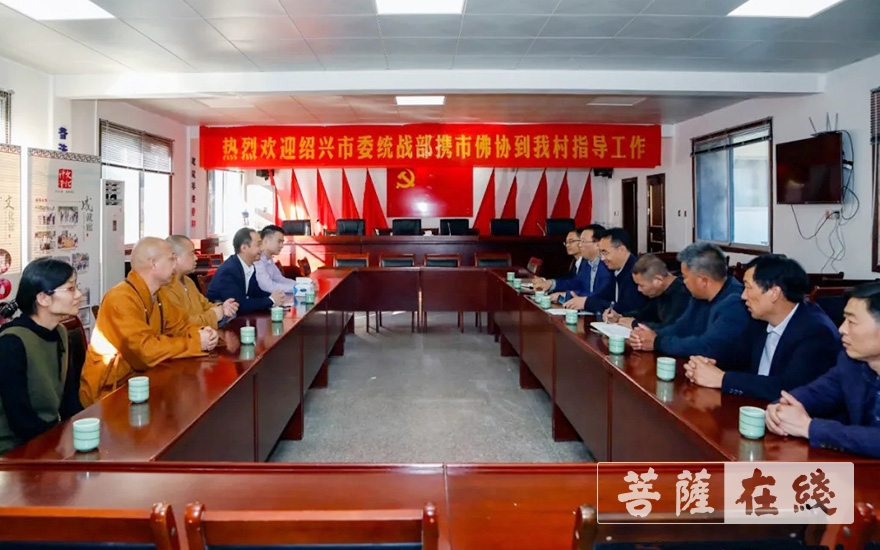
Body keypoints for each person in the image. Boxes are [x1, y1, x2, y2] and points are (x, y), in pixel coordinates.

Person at [80, 237, 218, 407]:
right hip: (110, 393)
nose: (175, 264)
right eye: (171, 259)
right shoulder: (120, 299)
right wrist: (196, 342)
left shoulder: (158, 295)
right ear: (153, 264)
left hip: (145, 380)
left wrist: (203, 332)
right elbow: (145, 351)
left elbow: (180, 325)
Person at [685, 255, 840, 402]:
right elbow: (738, 356)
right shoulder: (761, 320)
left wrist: (722, 379)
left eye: (748, 287)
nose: (743, 296)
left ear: (774, 293)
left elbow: (789, 388)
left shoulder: (816, 332)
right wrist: (707, 365)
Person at [766, 283, 880, 458]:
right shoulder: (850, 363)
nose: (841, 329)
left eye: (852, 322)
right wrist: (779, 410)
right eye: (844, 319)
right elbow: (816, 393)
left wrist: (809, 427)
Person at [0, 258, 84, 454]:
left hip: (49, 439)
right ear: (43, 298)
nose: (79, 294)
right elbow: (20, 419)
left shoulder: (61, 332)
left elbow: (69, 400)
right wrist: (59, 443)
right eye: (70, 289)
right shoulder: (11, 342)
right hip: (14, 450)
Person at [630, 242, 753, 370]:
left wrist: (657, 342)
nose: (683, 282)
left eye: (685, 277)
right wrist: (648, 335)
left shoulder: (735, 303)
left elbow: (708, 347)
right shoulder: (699, 296)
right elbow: (681, 327)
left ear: (703, 280)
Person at [159, 235, 239, 329]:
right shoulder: (165, 287)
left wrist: (222, 308)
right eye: (192, 253)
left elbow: (205, 305)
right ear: (176, 258)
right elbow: (182, 325)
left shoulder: (188, 281)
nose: (196, 258)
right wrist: (214, 315)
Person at [565, 227, 645, 314]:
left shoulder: (636, 272)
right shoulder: (616, 270)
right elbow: (603, 296)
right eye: (601, 253)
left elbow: (626, 308)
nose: (602, 258)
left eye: (605, 252)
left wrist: (587, 303)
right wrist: (583, 300)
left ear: (621, 250)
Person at [206, 228, 285, 314]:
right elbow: (238, 304)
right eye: (259, 244)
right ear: (244, 248)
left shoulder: (249, 267)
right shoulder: (229, 270)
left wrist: (276, 297)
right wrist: (271, 300)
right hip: (222, 319)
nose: (262, 249)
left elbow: (255, 293)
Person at [603, 253, 690, 330]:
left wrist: (635, 324)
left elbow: (670, 328)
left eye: (641, 285)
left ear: (658, 280)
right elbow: (645, 313)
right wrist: (620, 316)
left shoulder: (682, 294)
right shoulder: (660, 292)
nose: (639, 289)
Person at [254, 224, 296, 294]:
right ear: (266, 241)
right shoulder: (257, 259)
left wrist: (302, 285)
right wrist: (297, 288)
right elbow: (268, 286)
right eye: (279, 241)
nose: (282, 246)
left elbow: (279, 279)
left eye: (282, 242)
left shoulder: (269, 258)